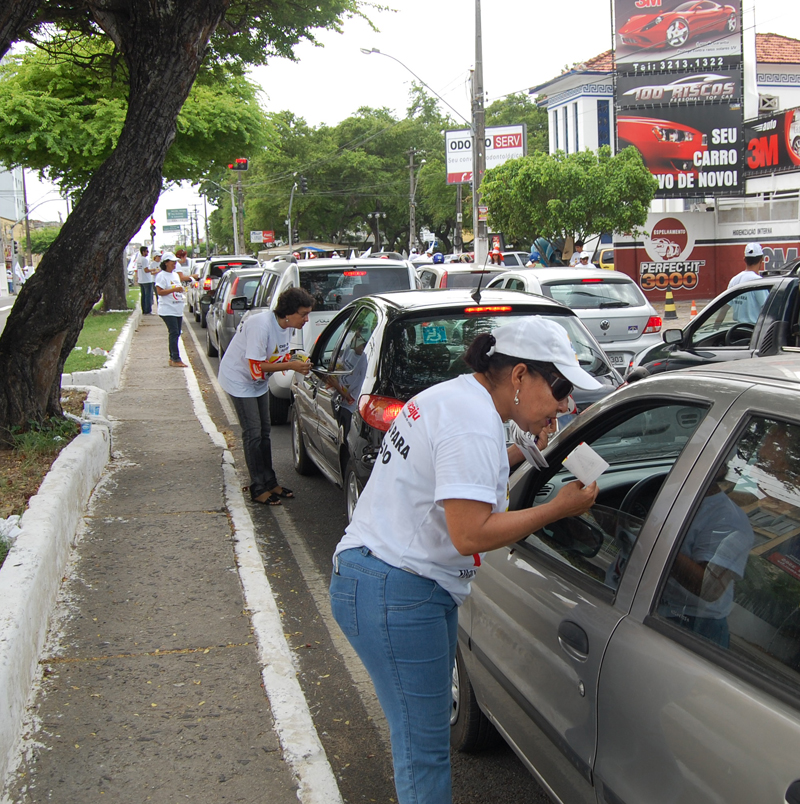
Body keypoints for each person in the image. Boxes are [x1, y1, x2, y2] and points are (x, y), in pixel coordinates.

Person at [329, 316, 601, 804]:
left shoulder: (457, 397)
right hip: (401, 591)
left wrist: (519, 454)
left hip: (377, 576)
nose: (566, 404)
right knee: (423, 752)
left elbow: (457, 475)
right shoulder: (473, 423)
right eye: (559, 387)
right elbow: (468, 532)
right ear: (519, 375)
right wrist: (558, 508)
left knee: (417, 741)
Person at [218, 286, 314, 505]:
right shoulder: (261, 326)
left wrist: (295, 359)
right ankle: (257, 487)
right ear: (288, 313)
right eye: (303, 314)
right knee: (252, 433)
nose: (306, 319)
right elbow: (255, 369)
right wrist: (292, 365)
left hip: (258, 381)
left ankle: (270, 482)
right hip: (240, 379)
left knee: (264, 431)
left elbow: (277, 356)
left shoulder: (288, 327)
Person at [154, 251, 194, 367]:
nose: (174, 264)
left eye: (175, 262)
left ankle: (173, 357)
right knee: (174, 332)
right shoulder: (161, 276)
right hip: (167, 309)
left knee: (176, 333)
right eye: (172, 262)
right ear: (166, 263)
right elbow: (160, 292)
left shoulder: (175, 275)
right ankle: (175, 358)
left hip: (177, 308)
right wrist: (174, 290)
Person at [135, 246, 154, 314]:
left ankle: (144, 309)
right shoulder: (145, 260)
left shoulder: (138, 259)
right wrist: (153, 269)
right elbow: (146, 270)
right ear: (143, 252)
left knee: (143, 296)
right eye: (147, 251)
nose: (148, 252)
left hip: (141, 280)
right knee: (148, 296)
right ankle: (148, 310)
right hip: (147, 280)